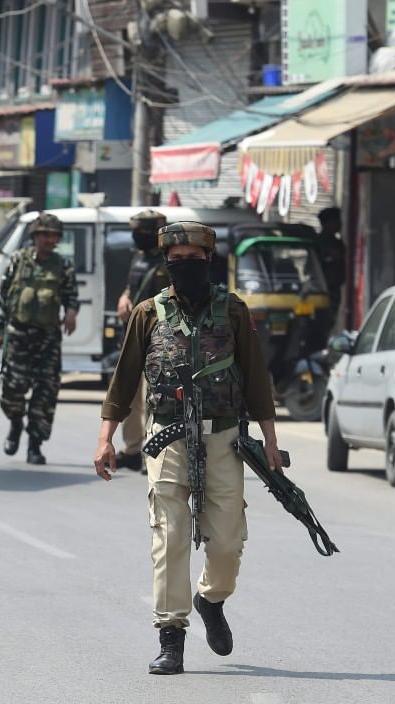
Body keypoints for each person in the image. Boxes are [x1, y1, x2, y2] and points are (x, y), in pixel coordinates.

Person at [92, 222, 285, 676]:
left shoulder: (233, 311)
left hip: (223, 437)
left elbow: (256, 378)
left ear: (209, 262)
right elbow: (123, 380)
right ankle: (171, 637)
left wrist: (271, 439)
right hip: (167, 436)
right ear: (167, 265)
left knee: (227, 542)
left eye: (193, 261)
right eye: (176, 261)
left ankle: (211, 599)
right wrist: (106, 438)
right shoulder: (148, 313)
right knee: (170, 536)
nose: (185, 268)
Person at [0, 213, 79, 466]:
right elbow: (2, 295)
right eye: (47, 235)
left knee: (45, 393)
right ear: (36, 236)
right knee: (12, 389)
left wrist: (71, 313)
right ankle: (16, 422)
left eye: (55, 236)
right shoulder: (18, 261)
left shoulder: (63, 266)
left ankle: (34, 445)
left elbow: (72, 296)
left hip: (48, 339)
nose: (52, 240)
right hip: (18, 336)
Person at [113, 210, 170, 473]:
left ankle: (151, 451)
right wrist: (124, 298)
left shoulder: (169, 261)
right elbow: (130, 286)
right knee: (129, 396)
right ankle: (133, 448)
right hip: (132, 337)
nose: (137, 238)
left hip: (158, 338)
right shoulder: (138, 257)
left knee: (152, 397)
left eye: (141, 233)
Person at [315, 208, 347, 320]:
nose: (339, 224)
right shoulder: (319, 242)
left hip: (334, 287)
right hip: (323, 287)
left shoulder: (337, 242)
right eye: (336, 221)